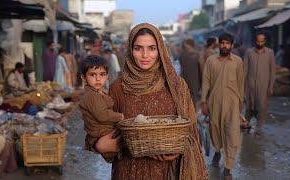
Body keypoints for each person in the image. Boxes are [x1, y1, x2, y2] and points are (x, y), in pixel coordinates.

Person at [93, 23, 208, 180]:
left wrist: (178, 148)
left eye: (152, 48)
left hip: (166, 172)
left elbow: (191, 130)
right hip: (129, 171)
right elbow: (102, 133)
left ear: (160, 50)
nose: (145, 55)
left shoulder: (176, 85)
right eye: (138, 48)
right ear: (130, 50)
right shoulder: (118, 88)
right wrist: (103, 145)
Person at [201, 33, 244, 180]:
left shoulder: (238, 61)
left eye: (227, 43)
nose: (224, 46)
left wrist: (240, 103)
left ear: (231, 45)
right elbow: (206, 81)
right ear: (219, 44)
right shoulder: (211, 61)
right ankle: (218, 151)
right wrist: (203, 101)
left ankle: (228, 168)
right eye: (222, 43)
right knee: (215, 130)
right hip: (214, 102)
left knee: (232, 134)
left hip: (232, 103)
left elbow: (240, 83)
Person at [79, 55, 124, 162]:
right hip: (101, 133)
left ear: (107, 76)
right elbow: (102, 115)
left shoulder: (99, 91)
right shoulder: (91, 96)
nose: (98, 79)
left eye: (102, 74)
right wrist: (121, 116)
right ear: (83, 77)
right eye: (92, 74)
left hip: (104, 131)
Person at [244, 32, 276, 136]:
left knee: (262, 107)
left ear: (265, 41)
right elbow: (245, 69)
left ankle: (259, 127)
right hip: (250, 85)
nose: (260, 43)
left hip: (264, 85)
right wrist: (242, 85)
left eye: (262, 41)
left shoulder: (270, 53)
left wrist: (271, 86)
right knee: (249, 106)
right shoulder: (249, 52)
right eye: (258, 41)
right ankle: (246, 123)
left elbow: (272, 71)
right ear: (255, 41)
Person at [179, 39, 200, 106]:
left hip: (194, 77)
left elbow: (200, 66)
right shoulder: (183, 54)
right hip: (185, 77)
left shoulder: (197, 54)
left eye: (186, 44)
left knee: (194, 95)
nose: (185, 46)